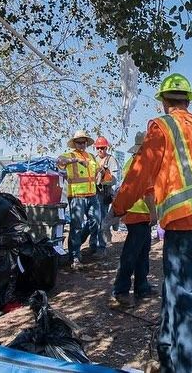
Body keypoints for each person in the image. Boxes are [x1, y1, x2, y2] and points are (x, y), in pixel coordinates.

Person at [112, 73, 192, 373]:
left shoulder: (162, 126)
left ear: (164, 102)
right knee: (176, 290)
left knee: (185, 295)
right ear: (188, 100)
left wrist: (118, 206)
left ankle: (189, 367)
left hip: (183, 225)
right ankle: (167, 357)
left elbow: (140, 172)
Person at [109, 131, 156, 309]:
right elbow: (148, 192)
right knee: (132, 253)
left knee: (142, 252)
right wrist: (153, 212)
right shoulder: (141, 165)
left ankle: (141, 287)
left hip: (137, 213)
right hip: (138, 213)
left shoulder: (133, 162)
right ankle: (121, 290)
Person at [57, 130, 105, 267]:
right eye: (78, 142)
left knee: (96, 221)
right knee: (76, 226)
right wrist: (76, 160)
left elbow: (96, 172)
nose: (81, 144)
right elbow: (59, 161)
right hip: (77, 197)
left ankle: (79, 244)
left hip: (92, 195)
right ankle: (75, 256)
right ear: (74, 143)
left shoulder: (91, 157)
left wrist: (101, 171)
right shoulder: (69, 155)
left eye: (83, 142)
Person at [94, 136, 120, 245]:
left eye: (103, 148)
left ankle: (103, 243)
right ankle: (100, 241)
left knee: (102, 217)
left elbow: (114, 179)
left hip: (105, 193)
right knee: (96, 218)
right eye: (98, 148)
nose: (100, 150)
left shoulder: (111, 160)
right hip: (94, 192)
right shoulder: (94, 159)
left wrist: (104, 182)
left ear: (106, 148)